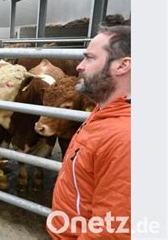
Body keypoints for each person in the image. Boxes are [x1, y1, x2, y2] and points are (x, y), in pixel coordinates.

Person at [47, 25, 131, 239]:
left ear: (123, 65)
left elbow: (112, 231)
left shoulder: (126, 138)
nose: (79, 66)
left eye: (89, 58)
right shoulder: (104, 111)